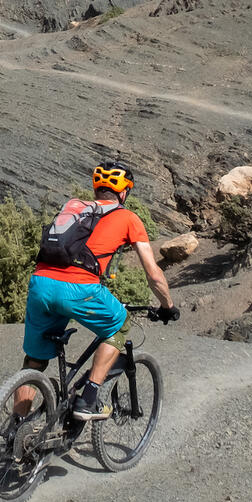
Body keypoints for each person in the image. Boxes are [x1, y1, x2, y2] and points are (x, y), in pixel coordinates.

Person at [21, 162, 177, 421]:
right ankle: (88, 399)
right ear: (124, 192)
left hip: (40, 283)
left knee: (34, 360)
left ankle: (15, 428)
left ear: (97, 188)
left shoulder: (74, 207)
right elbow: (153, 274)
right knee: (120, 324)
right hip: (79, 288)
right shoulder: (128, 218)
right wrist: (168, 306)